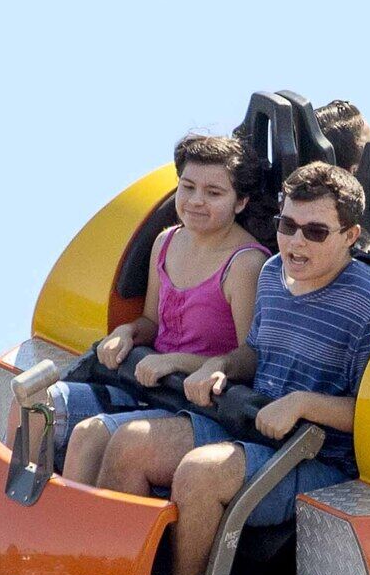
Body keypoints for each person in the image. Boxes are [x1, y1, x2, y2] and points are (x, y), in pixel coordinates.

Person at [91, 162, 370, 575]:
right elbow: (253, 352)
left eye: (315, 232)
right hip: (249, 422)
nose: (296, 242)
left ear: (350, 236)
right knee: (129, 444)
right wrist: (222, 365)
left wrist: (300, 404)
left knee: (202, 473)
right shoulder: (274, 273)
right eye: (288, 225)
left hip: (317, 459)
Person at [59, 133, 263, 487]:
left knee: (93, 434)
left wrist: (175, 362)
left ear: (240, 202)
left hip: (200, 404)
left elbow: (247, 360)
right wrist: (127, 333)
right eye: (188, 187)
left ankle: (105, 538)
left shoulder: (246, 264)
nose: (197, 201)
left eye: (214, 193)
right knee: (40, 408)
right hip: (147, 384)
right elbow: (152, 322)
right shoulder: (165, 241)